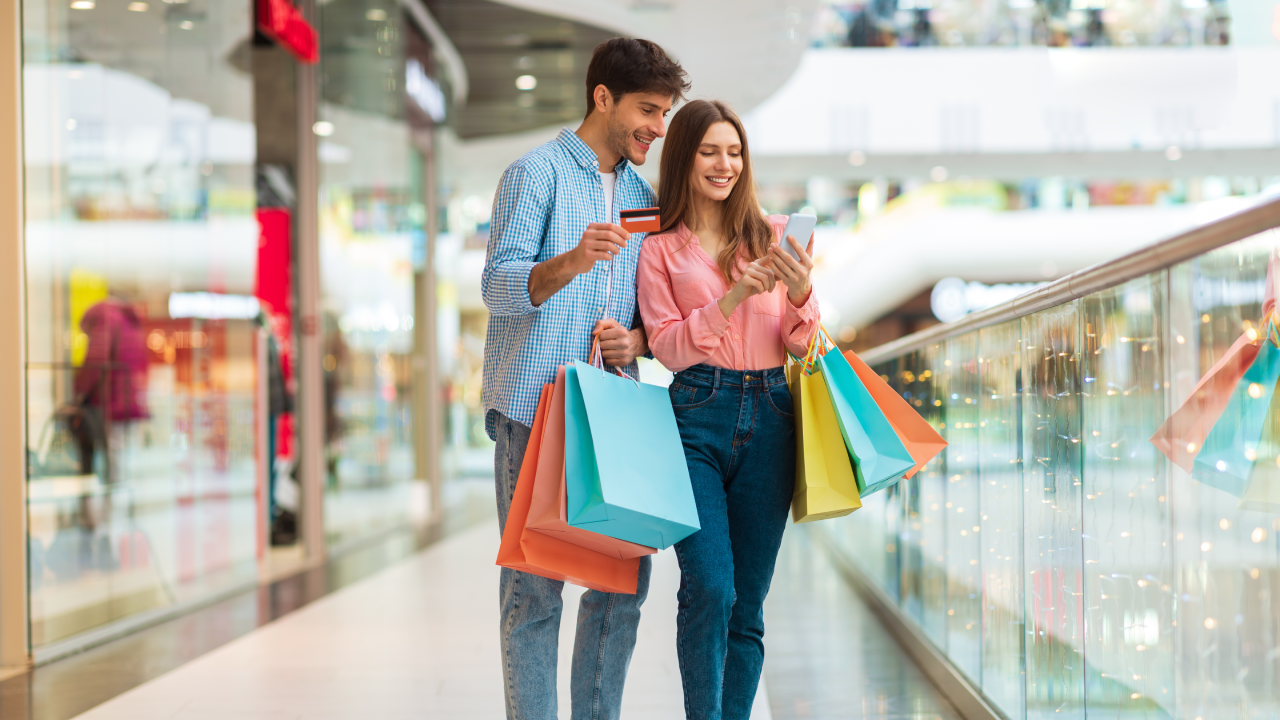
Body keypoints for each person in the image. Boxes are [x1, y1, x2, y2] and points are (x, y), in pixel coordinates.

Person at [481, 37, 689, 720]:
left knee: (623, 581)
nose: (658, 129)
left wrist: (634, 339)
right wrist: (568, 263)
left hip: (612, 413)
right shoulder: (533, 174)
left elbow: (647, 312)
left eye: (664, 114)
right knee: (534, 591)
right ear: (603, 98)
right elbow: (498, 287)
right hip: (531, 410)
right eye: (648, 111)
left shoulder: (641, 195)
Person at [636, 99, 820, 719]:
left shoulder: (774, 234)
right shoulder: (660, 249)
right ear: (683, 158)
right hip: (695, 415)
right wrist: (740, 291)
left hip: (772, 413)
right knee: (710, 587)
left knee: (748, 605)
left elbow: (804, 341)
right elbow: (667, 346)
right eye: (709, 151)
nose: (724, 165)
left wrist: (801, 293)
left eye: (734, 151)